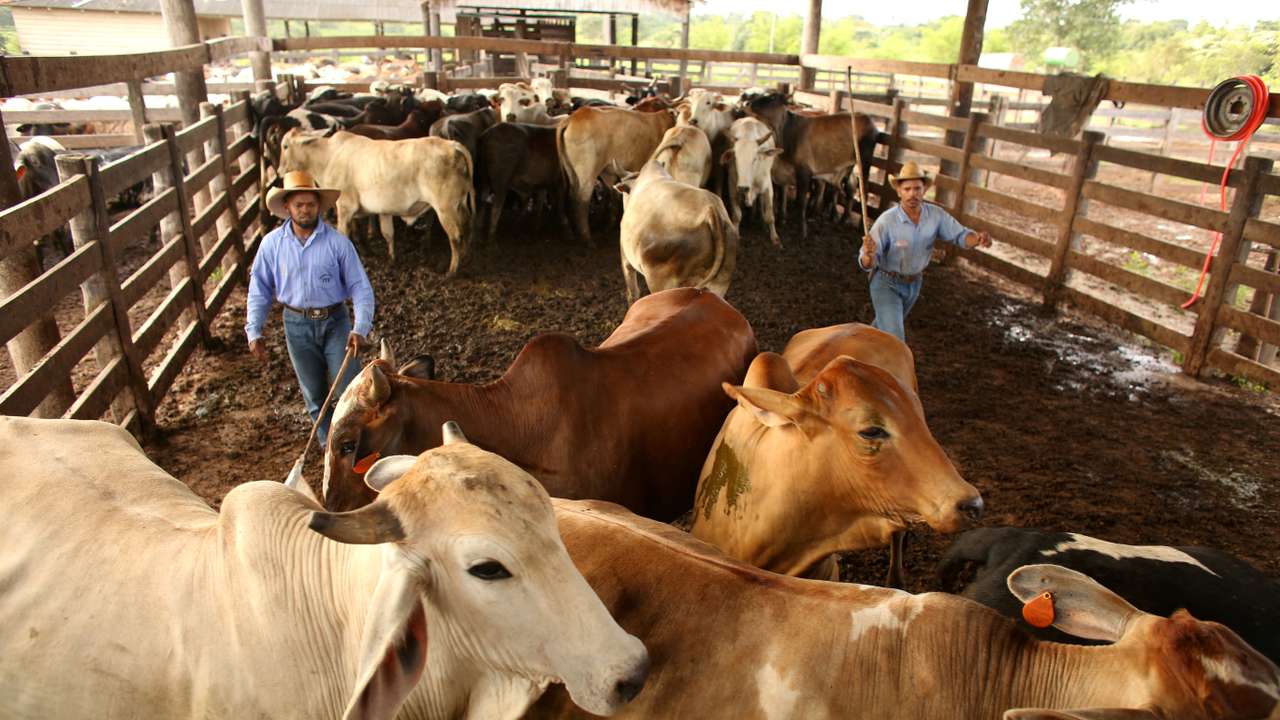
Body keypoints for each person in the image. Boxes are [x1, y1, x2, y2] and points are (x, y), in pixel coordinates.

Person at [246, 170, 375, 443]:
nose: (305, 210)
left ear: (319, 206)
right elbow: (259, 288)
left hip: (335, 321)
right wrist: (254, 330)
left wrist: (360, 327)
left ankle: (358, 442)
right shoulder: (271, 245)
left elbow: (360, 287)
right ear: (287, 207)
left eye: (311, 204)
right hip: (296, 323)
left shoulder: (338, 243)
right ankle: (329, 446)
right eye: (299, 205)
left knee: (349, 388)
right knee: (314, 393)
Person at [858, 161, 992, 342]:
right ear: (899, 191)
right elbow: (867, 261)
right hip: (886, 282)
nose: (912, 194)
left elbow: (960, 235)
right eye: (907, 189)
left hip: (913, 283)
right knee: (895, 339)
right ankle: (892, 368)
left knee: (882, 328)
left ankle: (857, 348)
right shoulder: (887, 221)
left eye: (917, 188)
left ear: (924, 190)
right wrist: (869, 255)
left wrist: (977, 239)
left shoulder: (936, 216)